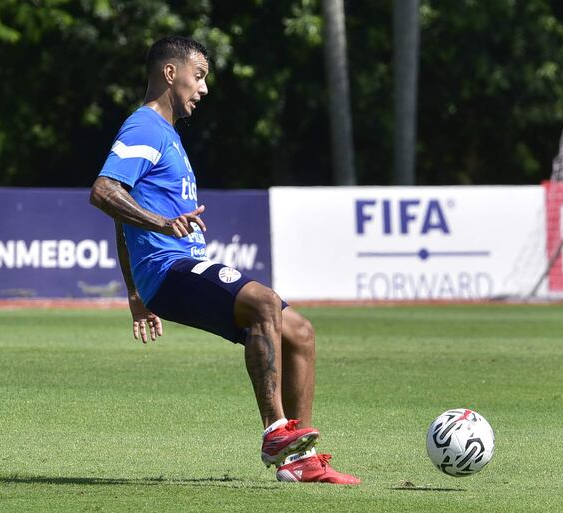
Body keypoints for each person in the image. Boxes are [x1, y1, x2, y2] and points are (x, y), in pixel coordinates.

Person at [89, 36, 360, 485]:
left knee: (300, 334)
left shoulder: (167, 135)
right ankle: (277, 433)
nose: (204, 89)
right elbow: (104, 192)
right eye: (199, 76)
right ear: (169, 73)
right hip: (169, 269)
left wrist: (135, 295)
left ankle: (300, 462)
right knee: (264, 302)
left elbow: (122, 214)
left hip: (168, 272)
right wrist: (159, 225)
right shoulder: (144, 127)